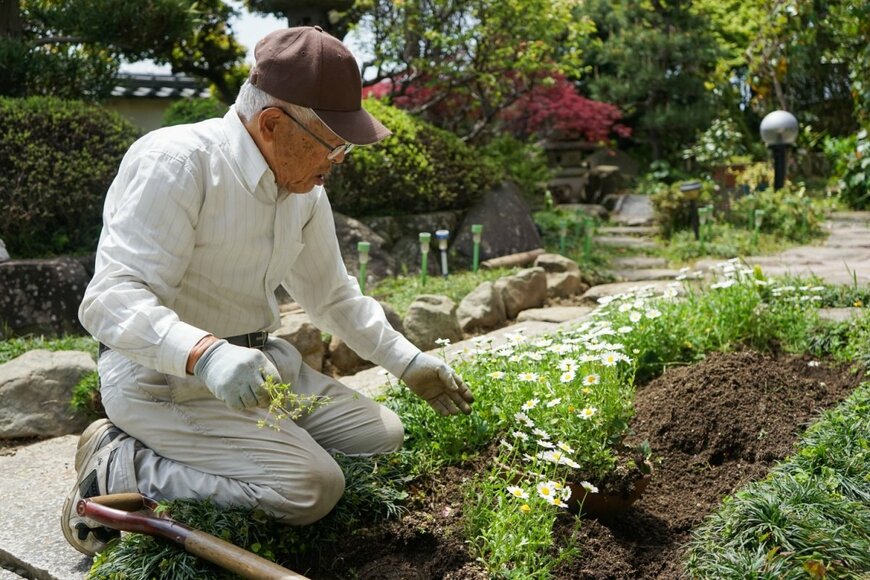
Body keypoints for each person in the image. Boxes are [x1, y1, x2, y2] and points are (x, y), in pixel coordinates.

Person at [63, 25, 474, 556]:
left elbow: (333, 296)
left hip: (263, 368)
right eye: (334, 144)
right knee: (312, 488)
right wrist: (205, 354)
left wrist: (407, 360)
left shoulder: (303, 191)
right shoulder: (176, 162)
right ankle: (121, 463)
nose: (338, 161)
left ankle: (236, 448)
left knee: (382, 437)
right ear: (274, 123)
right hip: (164, 380)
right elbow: (111, 297)